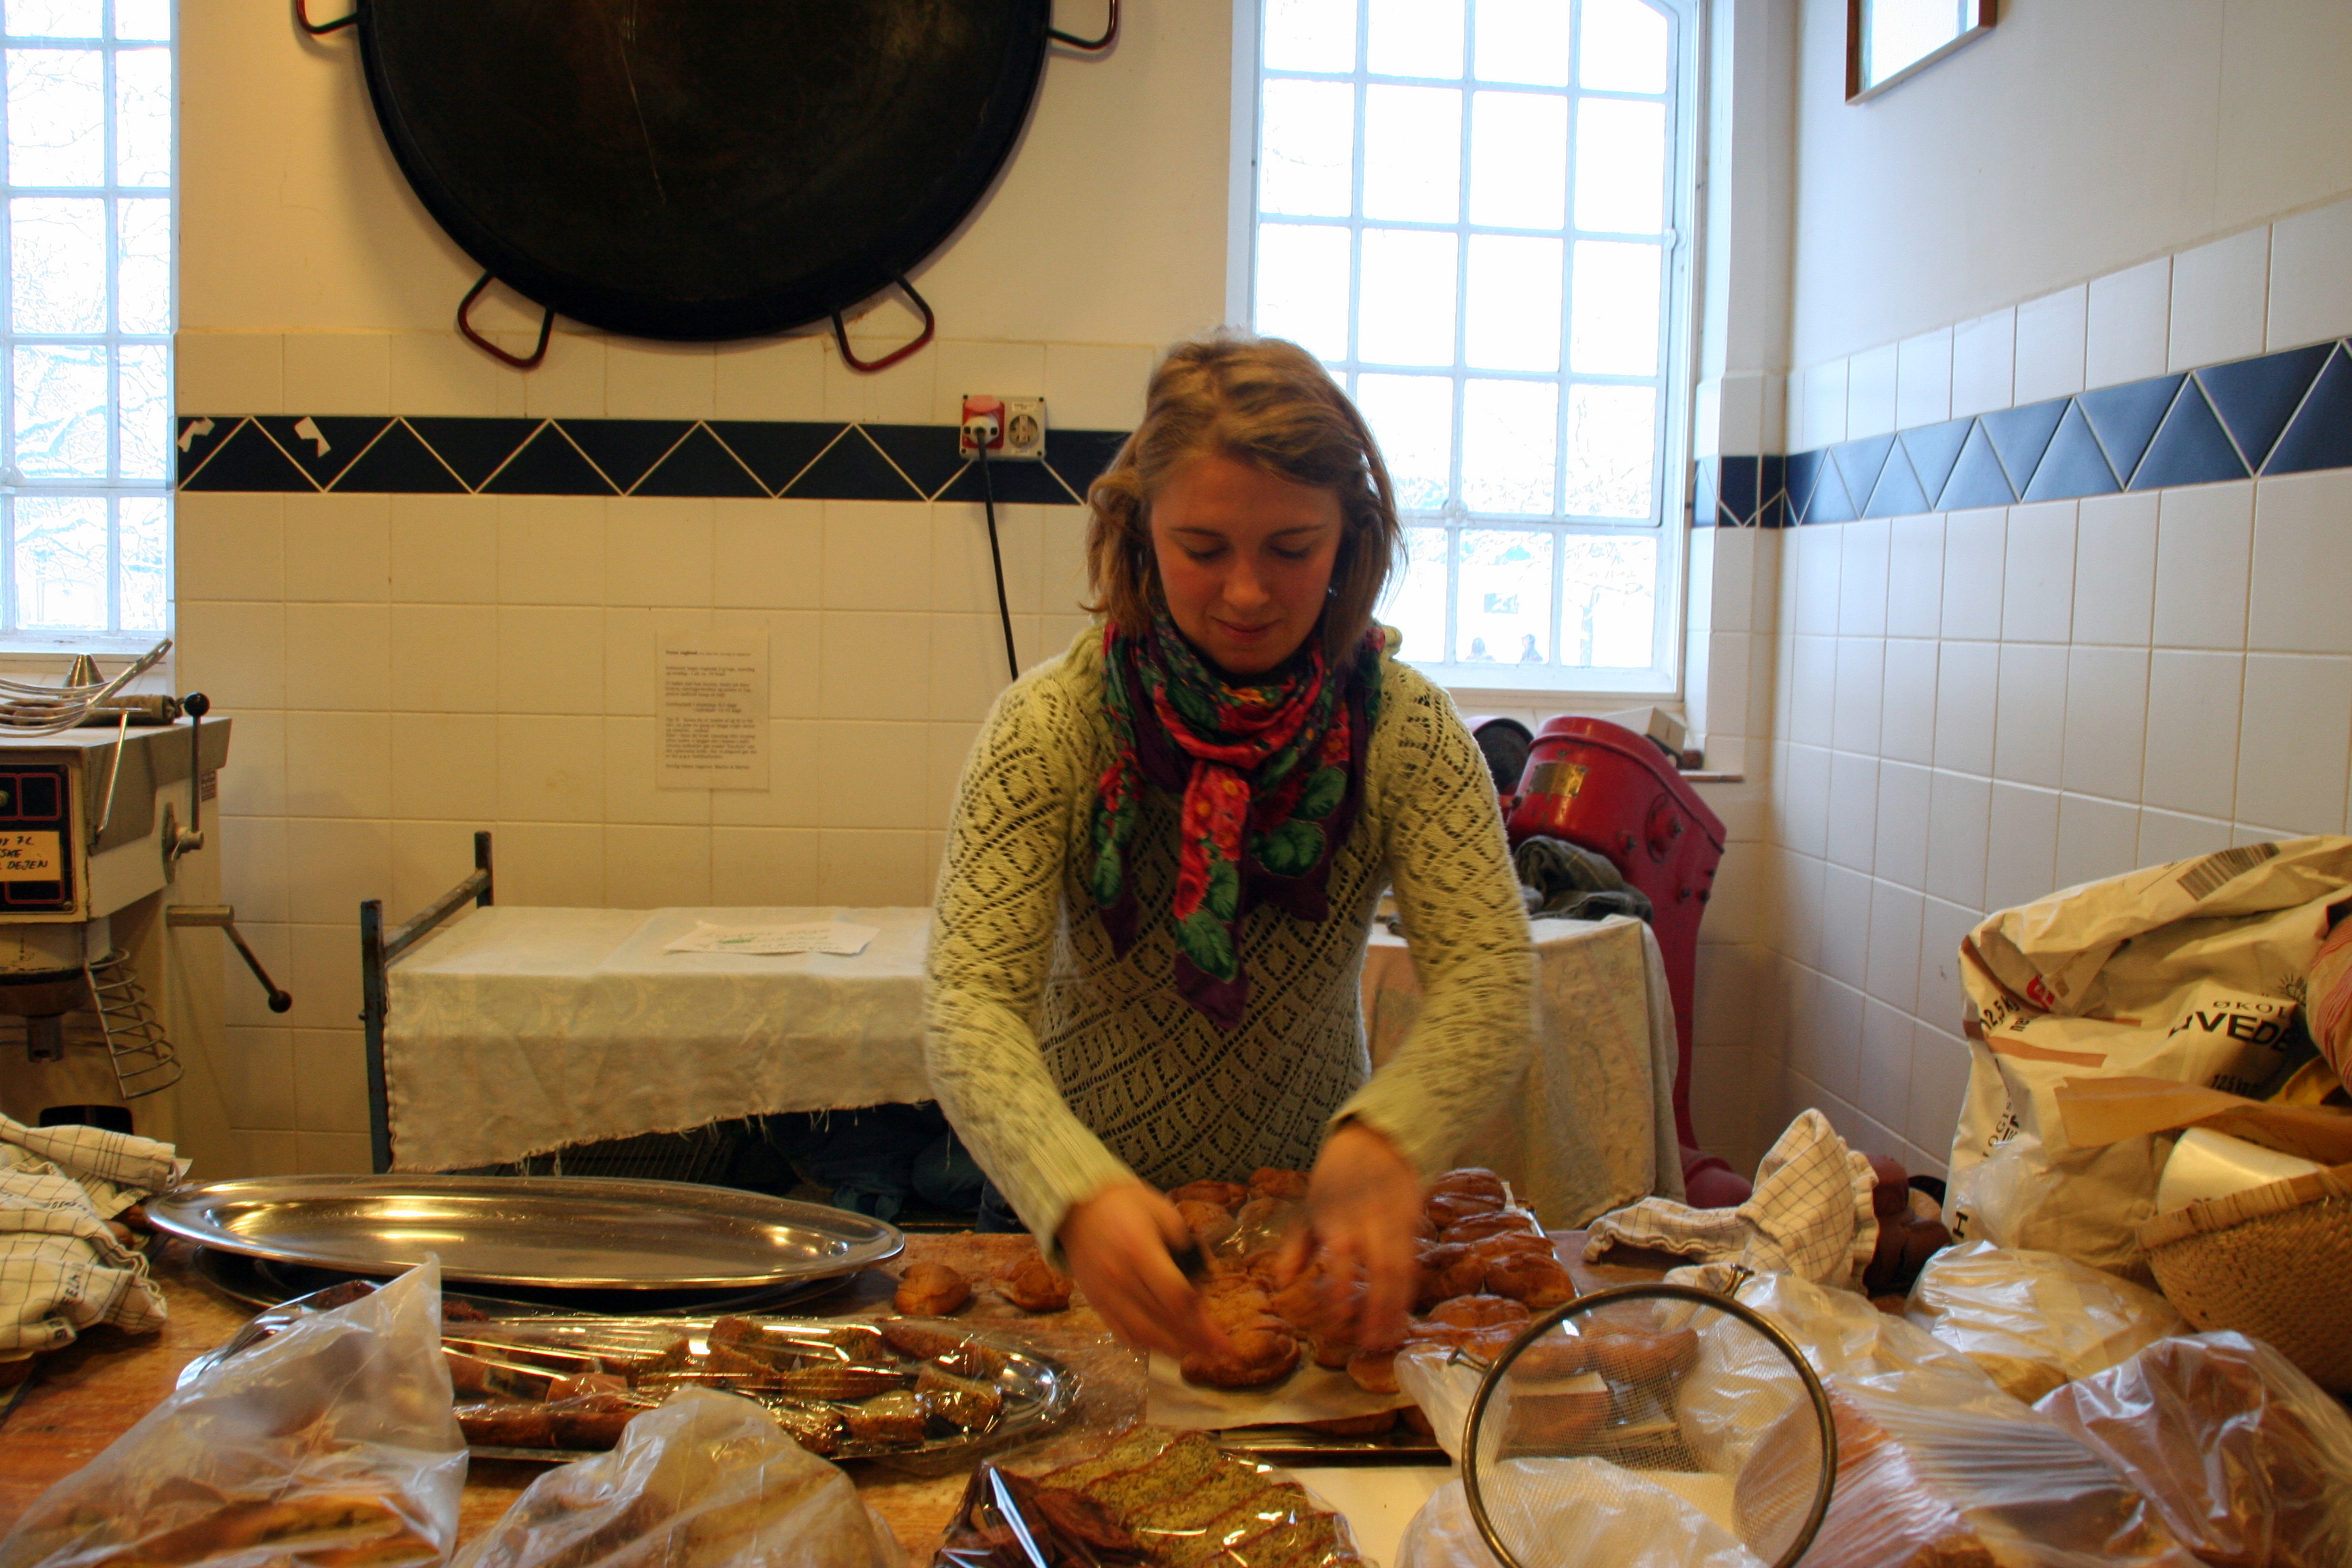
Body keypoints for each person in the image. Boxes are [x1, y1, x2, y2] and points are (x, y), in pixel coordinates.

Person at [924, 336, 1533, 1360]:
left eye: (1292, 549)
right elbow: (969, 1005)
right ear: (1138, 533)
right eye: (1202, 549)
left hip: (1306, 1231)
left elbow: (1491, 979)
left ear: (1352, 540)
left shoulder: (1406, 730)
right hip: (1079, 1227)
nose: (1247, 593)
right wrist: (1075, 1191)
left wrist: (1389, 1138)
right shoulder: (1049, 727)